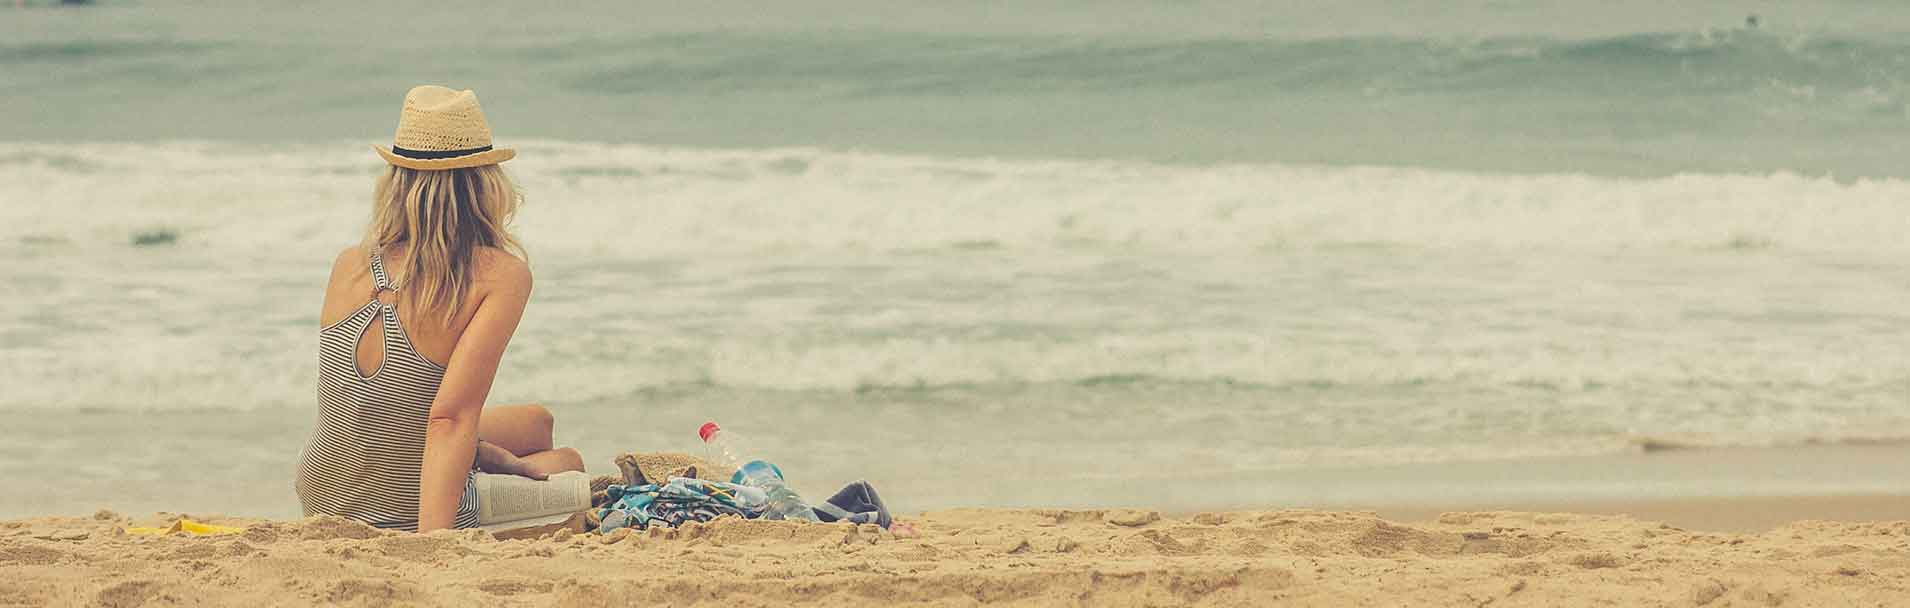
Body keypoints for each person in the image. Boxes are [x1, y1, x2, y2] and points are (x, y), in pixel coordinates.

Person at [295, 85, 584, 532]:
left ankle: (481, 458)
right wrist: (432, 546)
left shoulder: (349, 263)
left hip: (324, 492)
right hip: (407, 506)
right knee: (568, 463)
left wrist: (483, 451)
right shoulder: (500, 274)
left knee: (537, 422)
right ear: (484, 182)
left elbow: (370, 403)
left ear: (397, 181)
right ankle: (474, 481)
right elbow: (449, 419)